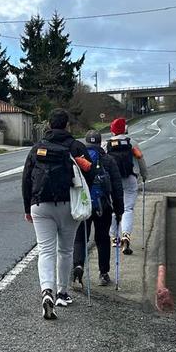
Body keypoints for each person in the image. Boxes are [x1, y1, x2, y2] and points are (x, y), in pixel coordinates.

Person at [22, 109, 94, 319]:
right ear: (67, 126)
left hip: (40, 205)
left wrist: (28, 208)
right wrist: (83, 200)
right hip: (68, 205)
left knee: (45, 250)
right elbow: (89, 173)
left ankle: (47, 291)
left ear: (49, 126)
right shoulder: (77, 147)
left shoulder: (37, 148)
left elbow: (26, 179)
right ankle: (62, 292)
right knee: (65, 250)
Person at [73, 130, 125, 288]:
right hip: (104, 206)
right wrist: (119, 209)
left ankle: (78, 265)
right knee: (102, 239)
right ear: (100, 142)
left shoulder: (79, 160)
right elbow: (117, 187)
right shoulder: (108, 159)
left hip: (84, 205)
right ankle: (103, 274)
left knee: (81, 238)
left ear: (86, 143)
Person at [106, 117, 148, 255]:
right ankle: (126, 235)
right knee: (128, 208)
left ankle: (115, 238)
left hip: (113, 181)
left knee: (113, 209)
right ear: (125, 129)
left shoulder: (106, 145)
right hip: (130, 178)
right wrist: (144, 176)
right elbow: (141, 160)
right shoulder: (132, 143)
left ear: (112, 130)